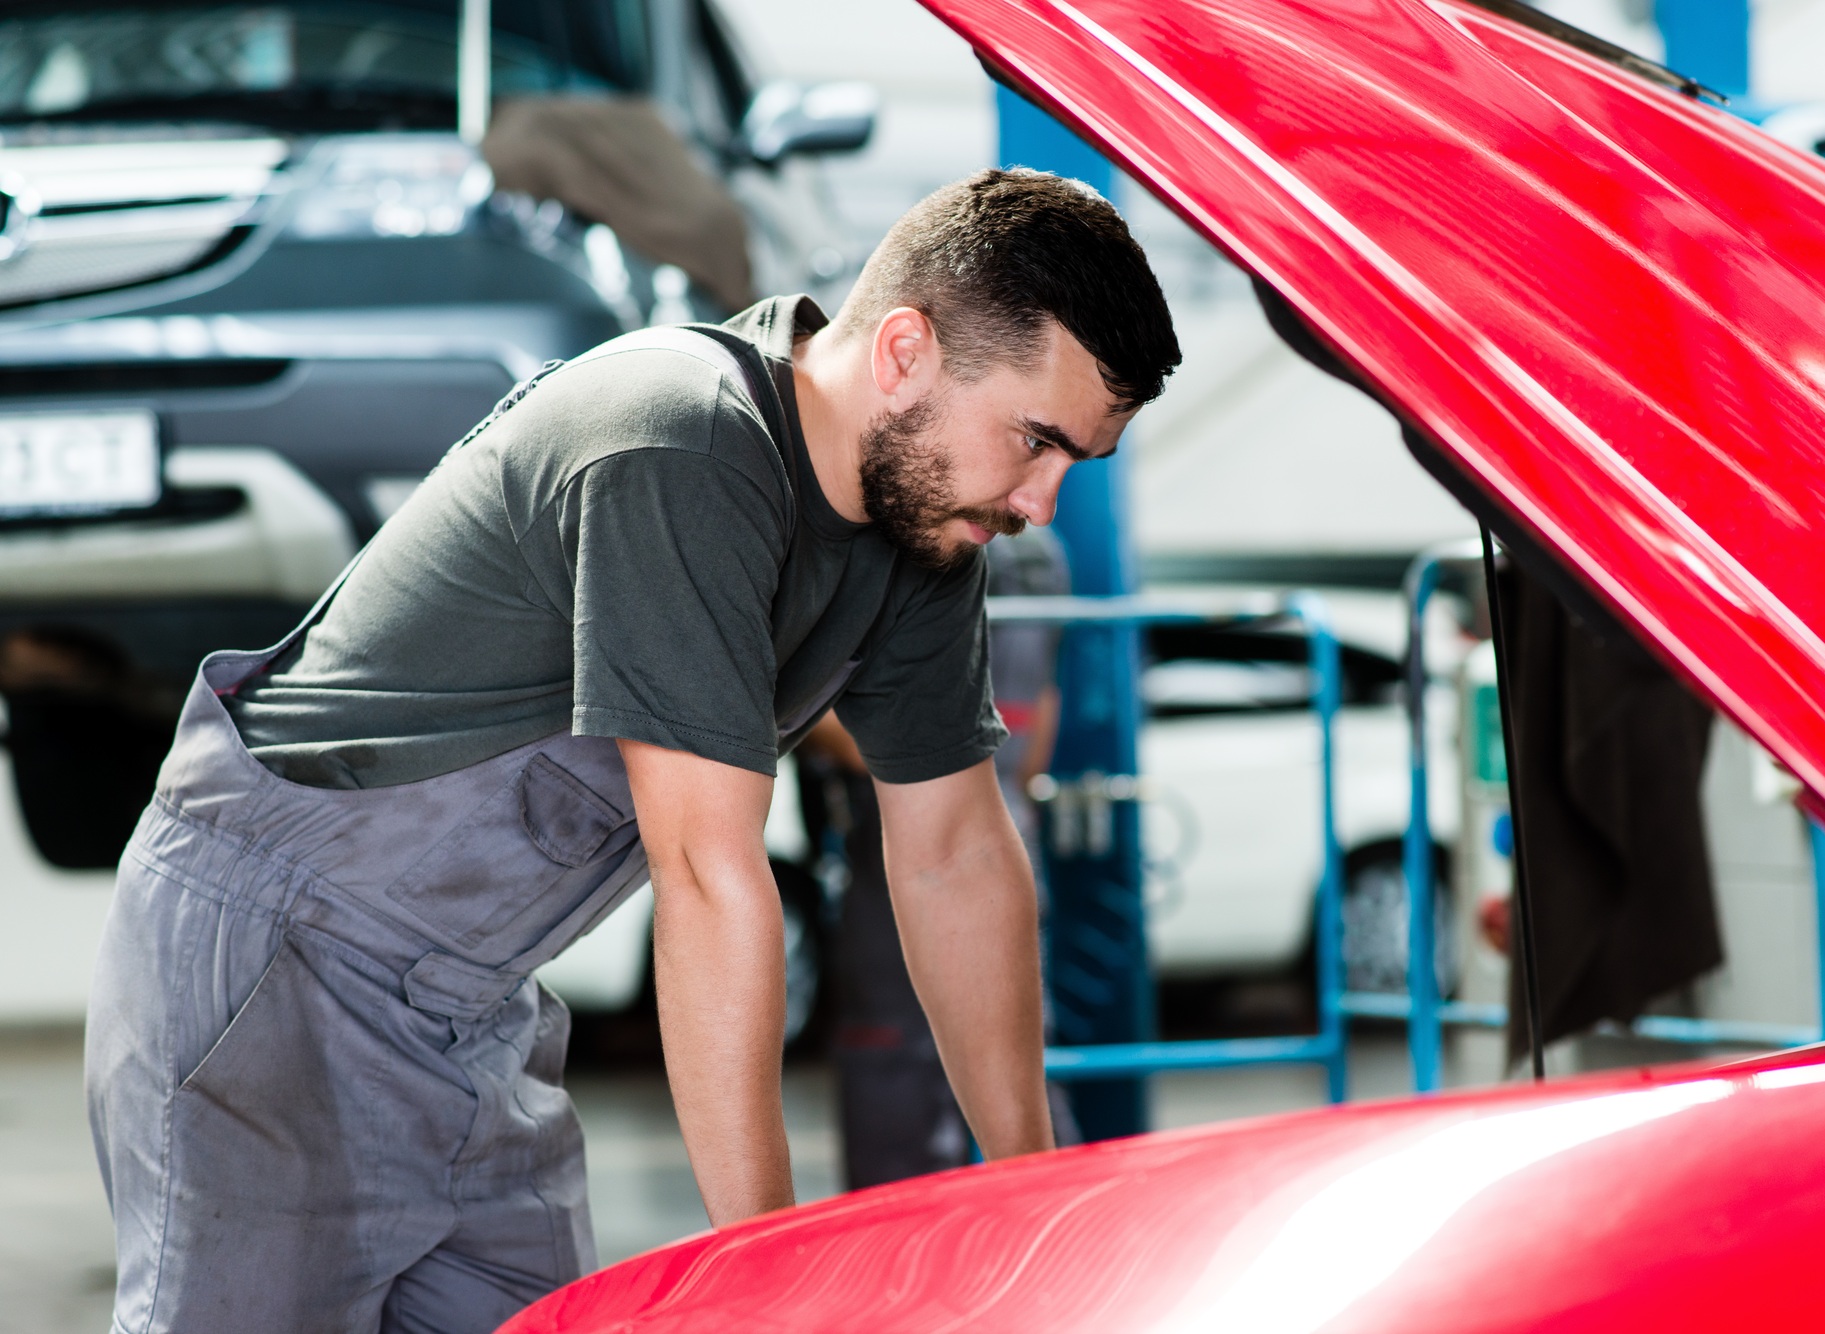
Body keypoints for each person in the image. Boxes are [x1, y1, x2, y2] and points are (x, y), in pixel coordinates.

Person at [84, 168, 1180, 1333]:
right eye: (1036, 440)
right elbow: (707, 872)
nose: (1043, 502)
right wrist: (765, 1269)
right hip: (272, 968)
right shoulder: (682, 441)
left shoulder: (922, 528)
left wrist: (1031, 1193)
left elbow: (955, 851)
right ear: (904, 351)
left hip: (466, 1010)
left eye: (1077, 464)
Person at [809, 525, 1074, 1190]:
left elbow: (812, 717)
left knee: (895, 1059)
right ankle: (1042, 1226)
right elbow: (1040, 724)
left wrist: (907, 758)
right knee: (1023, 1053)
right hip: (1012, 828)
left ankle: (909, 1258)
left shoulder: (898, 538)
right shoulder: (1045, 558)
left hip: (898, 836)